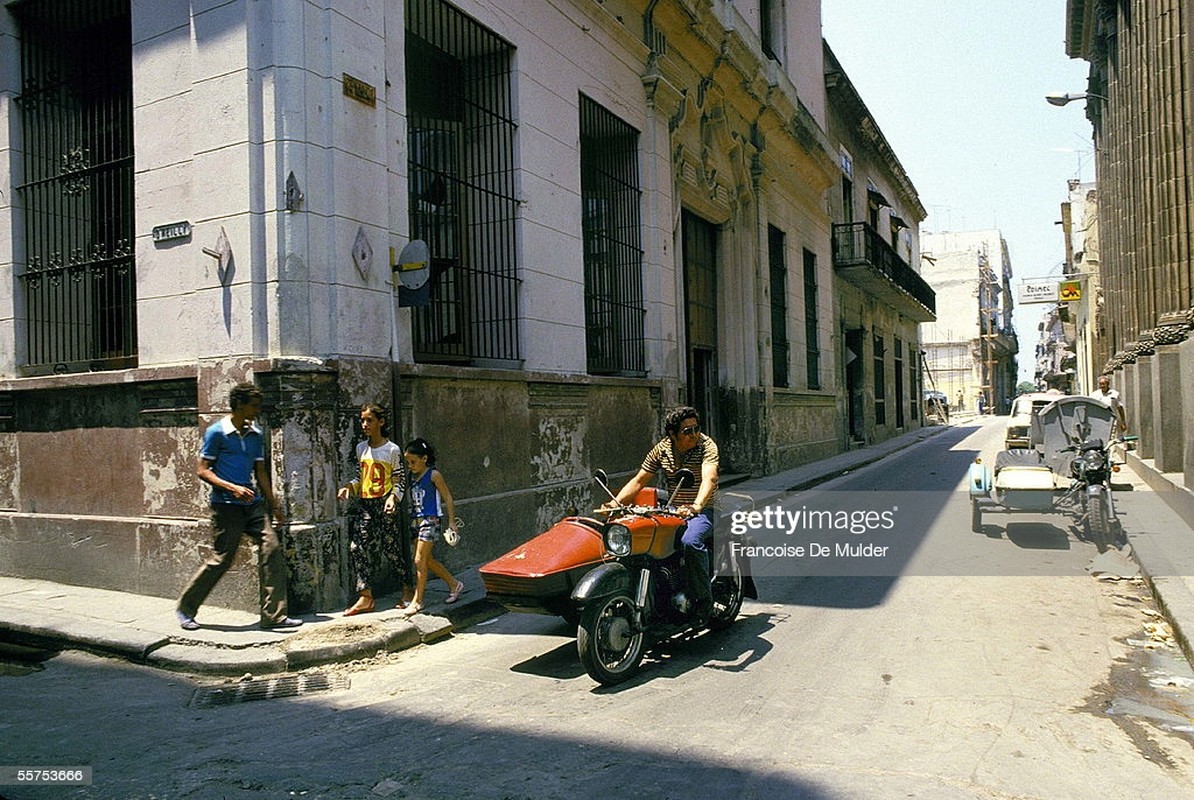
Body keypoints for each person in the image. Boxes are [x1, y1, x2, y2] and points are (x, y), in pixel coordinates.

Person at [176, 382, 302, 631]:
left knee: (272, 548)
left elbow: (261, 472)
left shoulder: (255, 435)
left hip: (252, 504)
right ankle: (185, 608)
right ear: (239, 405)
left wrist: (274, 504)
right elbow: (202, 470)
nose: (258, 410)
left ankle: (274, 616)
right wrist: (231, 487)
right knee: (221, 559)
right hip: (226, 506)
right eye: (253, 406)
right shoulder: (217, 433)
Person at [603, 406, 719, 622]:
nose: (693, 434)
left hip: (704, 509)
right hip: (673, 509)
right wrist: (615, 503)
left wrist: (696, 506)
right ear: (673, 435)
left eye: (696, 428)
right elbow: (639, 480)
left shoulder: (706, 445)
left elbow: (709, 478)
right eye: (687, 431)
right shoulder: (662, 449)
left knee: (691, 541)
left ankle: (704, 601)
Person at [336, 403, 410, 616]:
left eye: (369, 420)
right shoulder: (361, 448)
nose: (365, 424)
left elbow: (399, 479)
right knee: (356, 547)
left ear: (381, 422)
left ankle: (407, 588)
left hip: (385, 505)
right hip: (366, 505)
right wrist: (349, 487)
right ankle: (365, 596)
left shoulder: (392, 449)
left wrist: (393, 498)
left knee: (392, 550)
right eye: (362, 420)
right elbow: (360, 477)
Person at [401, 438, 465, 616]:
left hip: (431, 520)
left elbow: (448, 498)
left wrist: (452, 522)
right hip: (416, 520)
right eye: (408, 462)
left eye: (413, 462)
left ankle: (418, 601)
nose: (410, 466)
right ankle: (454, 584)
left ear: (424, 458)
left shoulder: (434, 475)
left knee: (419, 560)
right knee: (426, 560)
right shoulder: (411, 477)